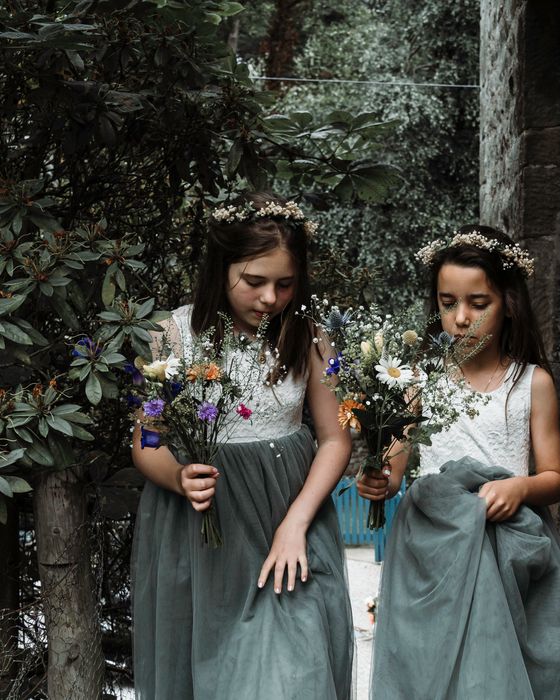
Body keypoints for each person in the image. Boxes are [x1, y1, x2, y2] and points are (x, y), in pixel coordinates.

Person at [131, 193, 354, 699]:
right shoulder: (173, 335)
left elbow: (335, 438)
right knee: (215, 676)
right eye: (254, 282)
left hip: (291, 524)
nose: (271, 299)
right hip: (204, 539)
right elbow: (147, 440)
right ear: (220, 267)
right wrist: (177, 476)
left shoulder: (310, 338)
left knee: (295, 675)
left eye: (285, 284)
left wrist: (296, 524)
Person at [357, 225, 560, 699]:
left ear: (508, 304)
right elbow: (394, 472)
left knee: (489, 670)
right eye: (447, 303)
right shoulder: (418, 379)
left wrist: (519, 488)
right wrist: (377, 480)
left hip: (507, 545)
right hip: (433, 547)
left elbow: (556, 477)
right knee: (433, 666)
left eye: (478, 305)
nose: (460, 318)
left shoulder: (530, 383)